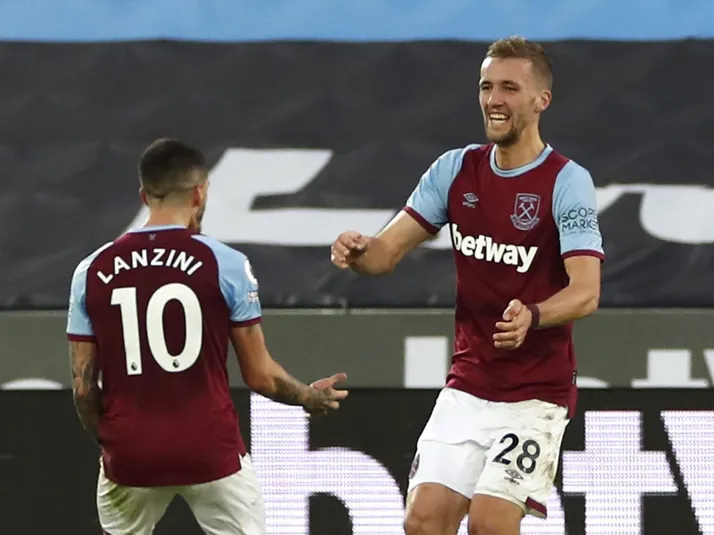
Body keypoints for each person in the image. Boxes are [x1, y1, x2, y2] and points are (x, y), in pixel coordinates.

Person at [330, 36, 603, 535]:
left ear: (541, 100)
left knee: (490, 524)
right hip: (469, 386)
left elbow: (586, 291)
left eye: (509, 88)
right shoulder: (455, 170)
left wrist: (534, 315)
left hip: (535, 395)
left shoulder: (566, 181)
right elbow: (385, 253)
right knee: (422, 522)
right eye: (486, 86)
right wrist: (358, 251)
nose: (494, 99)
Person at [66, 138, 348, 535]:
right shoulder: (225, 263)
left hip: (130, 452)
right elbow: (260, 376)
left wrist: (115, 442)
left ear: (144, 195)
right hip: (210, 449)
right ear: (200, 193)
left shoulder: (91, 270)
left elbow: (83, 389)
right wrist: (309, 397)